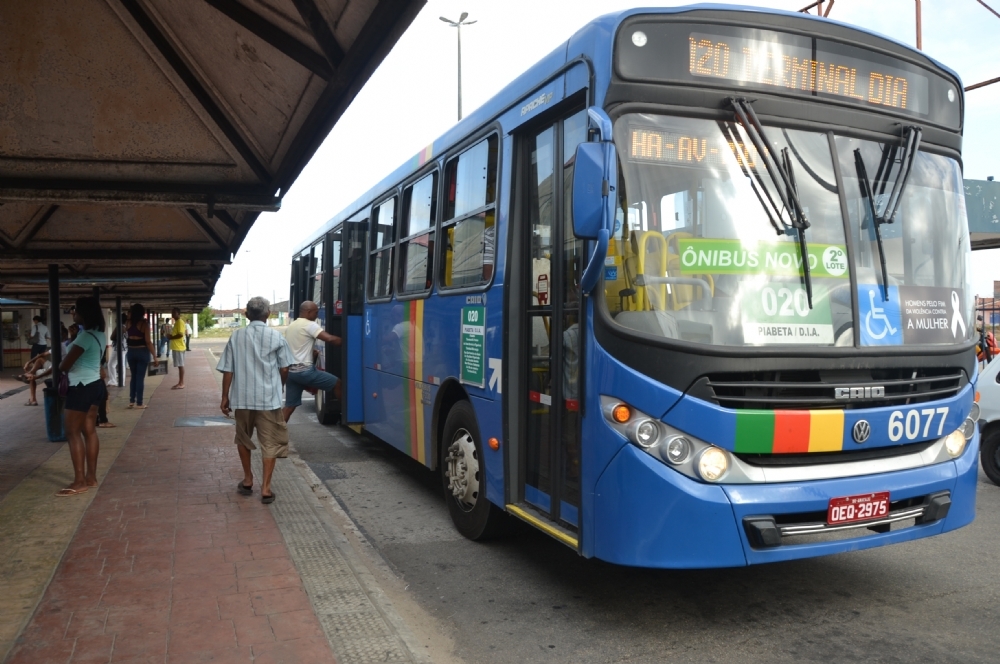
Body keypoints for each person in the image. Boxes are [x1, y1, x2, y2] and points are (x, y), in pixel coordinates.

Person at [217, 297, 294, 504]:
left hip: (242, 399)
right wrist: (280, 384)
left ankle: (248, 479)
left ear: (246, 315)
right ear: (268, 314)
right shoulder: (276, 337)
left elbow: (228, 369)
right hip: (269, 400)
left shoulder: (236, 337)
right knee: (270, 443)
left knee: (243, 438)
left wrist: (225, 396)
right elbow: (285, 368)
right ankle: (266, 489)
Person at [56, 296, 107, 497]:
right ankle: (91, 477)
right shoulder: (99, 334)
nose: (73, 313)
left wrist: (60, 363)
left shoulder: (84, 337)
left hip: (80, 386)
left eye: (75, 310)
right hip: (95, 385)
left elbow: (64, 365)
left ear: (83, 313)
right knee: (89, 432)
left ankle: (79, 482)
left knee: (72, 432)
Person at [282, 301, 342, 423]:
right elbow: (329, 339)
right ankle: (346, 412)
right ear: (308, 312)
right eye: (316, 312)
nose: (317, 315)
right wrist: (346, 340)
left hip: (291, 373)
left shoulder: (292, 326)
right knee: (337, 383)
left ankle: (275, 436)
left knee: (289, 407)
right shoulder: (309, 325)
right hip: (304, 372)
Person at [125, 303, 159, 408]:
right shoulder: (144, 324)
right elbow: (148, 342)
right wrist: (154, 356)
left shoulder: (127, 323)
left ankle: (131, 401)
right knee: (140, 378)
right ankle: (139, 403)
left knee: (133, 377)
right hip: (142, 352)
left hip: (130, 352)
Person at [168, 308, 186, 389]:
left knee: (180, 365)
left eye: (174, 313)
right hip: (176, 347)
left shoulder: (180, 322)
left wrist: (171, 337)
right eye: (172, 312)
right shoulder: (176, 323)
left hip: (179, 347)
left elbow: (181, 334)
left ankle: (181, 383)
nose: (172, 314)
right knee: (179, 365)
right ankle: (180, 382)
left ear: (178, 313)